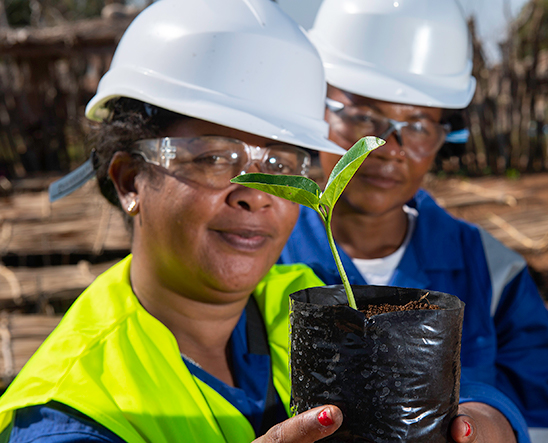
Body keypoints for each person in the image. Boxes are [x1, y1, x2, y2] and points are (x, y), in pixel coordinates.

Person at [0, 1, 503, 442]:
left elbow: (435, 382)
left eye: (281, 167)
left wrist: (482, 416)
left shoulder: (302, 298)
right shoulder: (68, 414)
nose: (255, 195)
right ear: (131, 180)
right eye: (216, 157)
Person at [279, 1, 548, 443]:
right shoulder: (260, 257)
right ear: (315, 112)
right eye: (362, 117)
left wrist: (494, 425)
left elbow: (547, 417)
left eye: (418, 125)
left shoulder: (492, 271)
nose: (388, 147)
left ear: (442, 135)